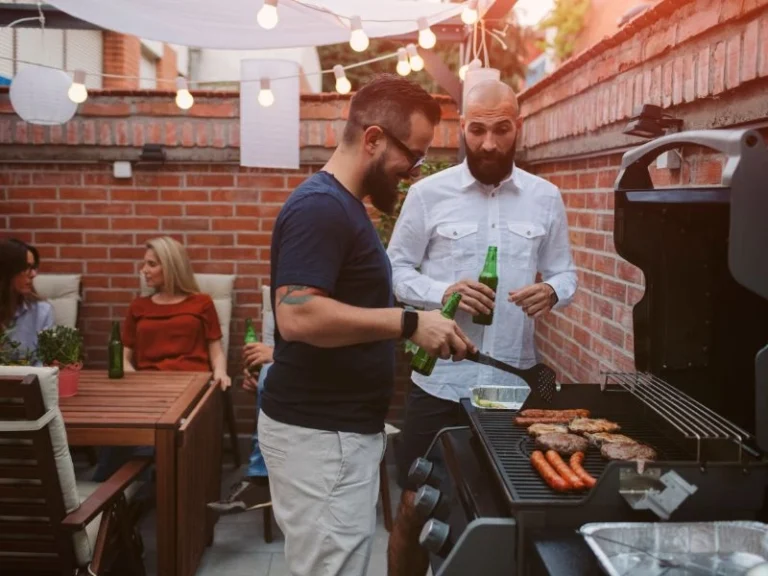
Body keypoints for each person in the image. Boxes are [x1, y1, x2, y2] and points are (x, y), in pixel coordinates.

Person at [257, 74, 476, 576]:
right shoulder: (321, 208)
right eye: (413, 156)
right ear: (374, 139)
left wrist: (424, 320)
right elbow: (296, 313)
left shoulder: (343, 207)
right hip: (320, 437)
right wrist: (407, 323)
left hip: (334, 433)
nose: (415, 170)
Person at [385, 80, 578, 576]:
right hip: (440, 385)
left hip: (510, 384)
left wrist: (553, 291)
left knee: (497, 513)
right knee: (412, 505)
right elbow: (396, 270)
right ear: (462, 130)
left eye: (501, 129)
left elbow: (565, 272)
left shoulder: (546, 198)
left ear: (518, 127)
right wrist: (443, 291)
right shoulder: (428, 195)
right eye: (477, 129)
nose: (489, 143)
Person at [93, 236, 231, 482]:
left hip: (191, 385)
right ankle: (107, 488)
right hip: (149, 386)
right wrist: (136, 381)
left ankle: (151, 483)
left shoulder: (202, 303)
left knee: (161, 429)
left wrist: (220, 373)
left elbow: (216, 350)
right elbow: (123, 355)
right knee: (117, 420)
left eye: (151, 264)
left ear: (171, 266)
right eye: (144, 264)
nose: (143, 270)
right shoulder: (139, 307)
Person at [208, 308, 276, 514]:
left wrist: (275, 356)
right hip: (293, 384)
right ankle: (259, 479)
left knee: (267, 377)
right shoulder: (281, 300)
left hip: (327, 386)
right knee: (265, 375)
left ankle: (259, 479)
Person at [0, 238, 54, 364]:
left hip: (28, 381)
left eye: (34, 267)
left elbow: (45, 365)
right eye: (26, 268)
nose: (33, 274)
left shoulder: (42, 311)